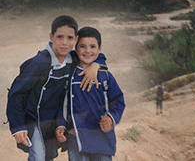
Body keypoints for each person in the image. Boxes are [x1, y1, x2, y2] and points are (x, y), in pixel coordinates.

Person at [6, 16, 107, 161]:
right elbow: (16, 94)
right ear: (51, 37)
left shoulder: (71, 59)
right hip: (32, 119)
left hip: (52, 120)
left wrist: (96, 65)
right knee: (38, 157)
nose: (65, 42)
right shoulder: (39, 62)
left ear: (76, 39)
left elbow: (95, 54)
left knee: (47, 156)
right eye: (60, 37)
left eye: (70, 38)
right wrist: (17, 126)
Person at [56, 26, 125, 161]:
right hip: (76, 137)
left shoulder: (106, 76)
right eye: (82, 46)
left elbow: (118, 101)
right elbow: (62, 104)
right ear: (76, 48)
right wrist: (60, 124)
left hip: (101, 137)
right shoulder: (69, 75)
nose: (88, 51)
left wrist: (111, 119)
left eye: (93, 46)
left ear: (99, 49)